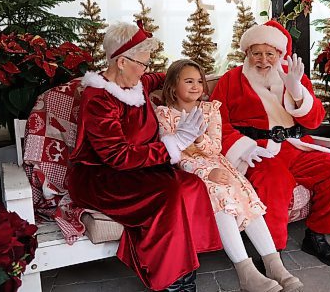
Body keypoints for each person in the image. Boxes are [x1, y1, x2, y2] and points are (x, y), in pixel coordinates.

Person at [67, 21, 222, 292]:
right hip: (103, 176)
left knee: (192, 186)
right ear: (122, 62)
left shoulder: (138, 81)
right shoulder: (99, 99)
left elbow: (166, 76)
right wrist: (174, 143)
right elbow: (118, 157)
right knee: (170, 192)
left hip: (141, 168)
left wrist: (192, 77)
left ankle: (184, 266)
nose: (146, 69)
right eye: (143, 63)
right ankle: (172, 280)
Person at [210, 20, 330, 267]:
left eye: (269, 53)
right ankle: (271, 253)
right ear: (247, 53)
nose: (263, 60)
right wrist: (245, 147)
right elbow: (215, 122)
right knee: (274, 183)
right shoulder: (231, 80)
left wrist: (297, 92)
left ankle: (316, 235)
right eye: (257, 53)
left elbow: (315, 120)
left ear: (280, 53)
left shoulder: (292, 75)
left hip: (294, 146)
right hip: (255, 151)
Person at [155, 59, 303, 292]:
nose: (196, 87)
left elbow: (215, 148)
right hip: (187, 171)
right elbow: (173, 155)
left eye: (199, 82)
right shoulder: (164, 114)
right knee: (219, 193)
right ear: (173, 86)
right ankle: (245, 272)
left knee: (244, 195)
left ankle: (273, 263)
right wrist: (204, 171)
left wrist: (199, 139)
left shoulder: (210, 110)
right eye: (188, 81)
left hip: (218, 162)